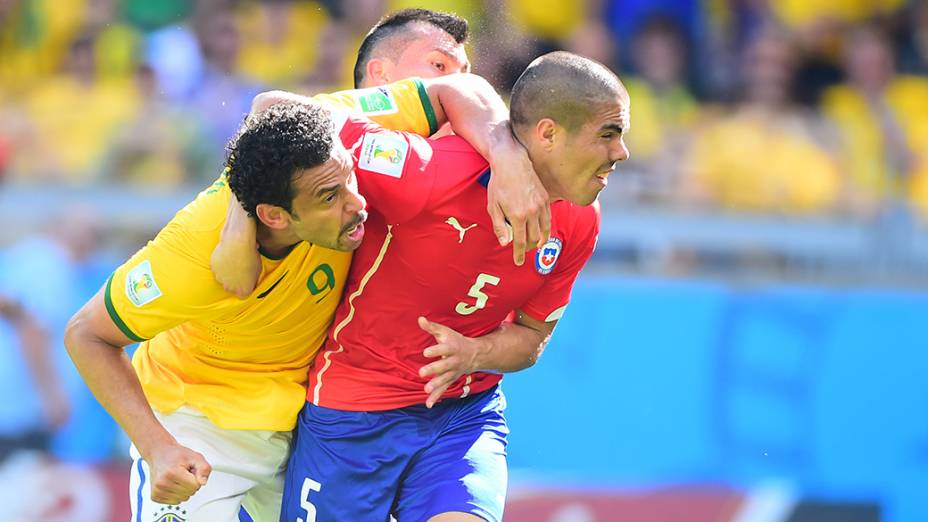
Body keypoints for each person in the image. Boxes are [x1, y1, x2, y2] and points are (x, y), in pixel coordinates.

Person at [63, 74, 546, 522]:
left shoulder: (319, 141)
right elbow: (86, 334)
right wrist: (157, 446)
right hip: (202, 427)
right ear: (274, 216)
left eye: (349, 179)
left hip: (303, 425)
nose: (357, 203)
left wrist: (508, 158)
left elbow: (454, 88)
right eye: (329, 197)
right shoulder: (195, 254)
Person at [270, 51, 630, 522]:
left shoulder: (581, 220)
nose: (621, 153)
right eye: (609, 134)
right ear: (548, 134)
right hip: (355, 412)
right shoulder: (430, 173)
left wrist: (474, 355)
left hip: (464, 414)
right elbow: (279, 111)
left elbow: (531, 338)